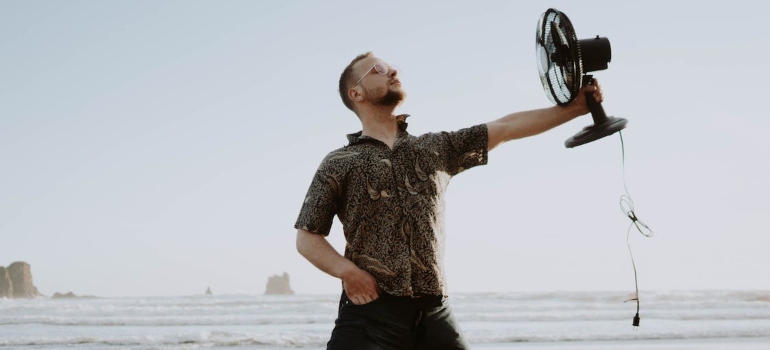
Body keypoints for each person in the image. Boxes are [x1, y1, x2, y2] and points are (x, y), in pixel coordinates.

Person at [294, 52, 603, 350]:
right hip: (370, 315)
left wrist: (574, 109)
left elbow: (506, 127)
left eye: (391, 66)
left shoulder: (435, 148)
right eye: (377, 69)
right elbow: (307, 237)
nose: (392, 71)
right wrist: (348, 272)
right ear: (356, 93)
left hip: (435, 312)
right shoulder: (339, 161)